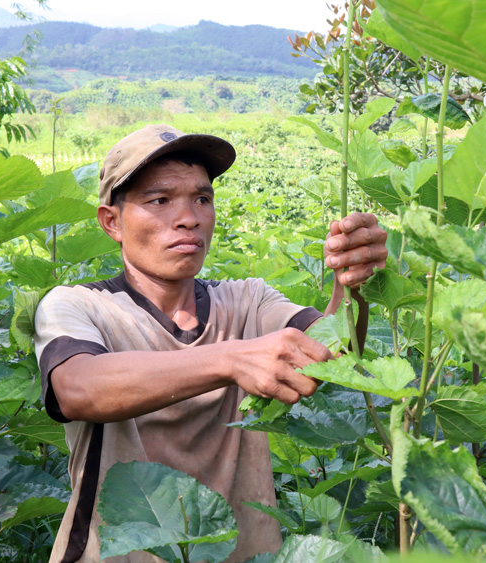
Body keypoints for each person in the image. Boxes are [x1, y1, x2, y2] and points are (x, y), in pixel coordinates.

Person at [33, 124, 388, 563]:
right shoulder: (80, 306)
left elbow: (332, 354)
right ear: (112, 222)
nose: (189, 218)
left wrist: (353, 283)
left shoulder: (246, 300)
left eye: (202, 199)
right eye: (159, 200)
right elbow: (78, 388)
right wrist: (231, 358)